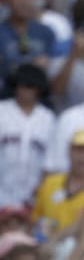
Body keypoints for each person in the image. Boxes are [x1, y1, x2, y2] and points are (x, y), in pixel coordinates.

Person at [32, 130, 84, 260]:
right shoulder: (50, 183)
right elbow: (38, 220)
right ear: (69, 151)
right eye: (79, 150)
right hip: (47, 246)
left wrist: (57, 238)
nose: (83, 157)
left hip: (82, 249)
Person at [0, 64, 55, 208]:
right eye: (24, 84)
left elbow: (50, 161)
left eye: (32, 86)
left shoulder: (48, 118)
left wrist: (42, 190)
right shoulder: (2, 111)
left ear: (39, 89)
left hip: (33, 197)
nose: (27, 90)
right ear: (15, 86)